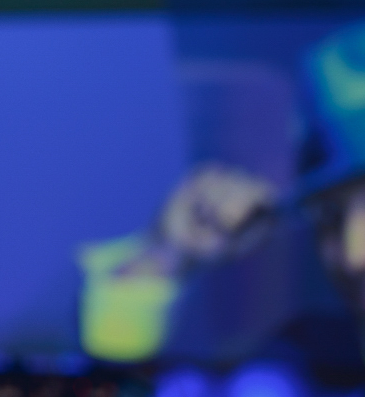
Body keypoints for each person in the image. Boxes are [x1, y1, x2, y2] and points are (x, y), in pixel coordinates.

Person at [79, 22, 365, 380]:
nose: (354, 254)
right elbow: (111, 364)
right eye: (330, 215)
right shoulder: (294, 368)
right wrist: (165, 256)